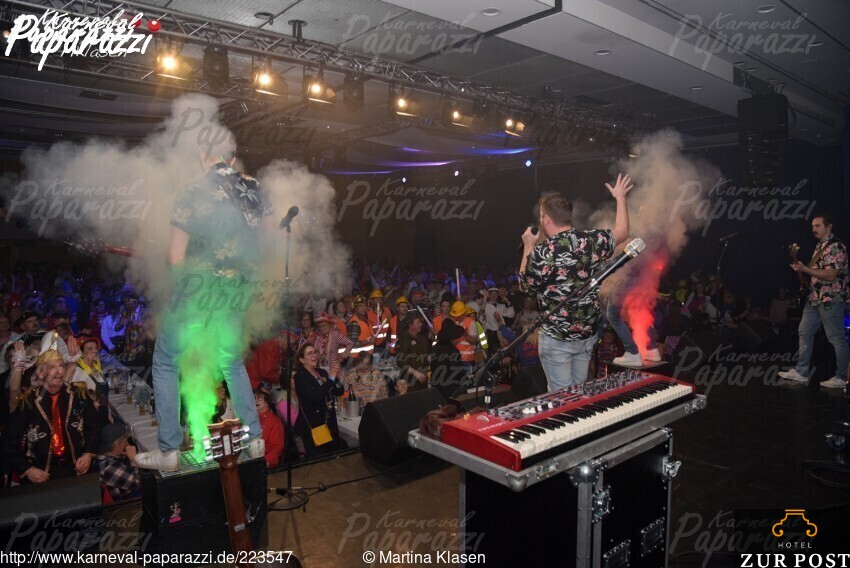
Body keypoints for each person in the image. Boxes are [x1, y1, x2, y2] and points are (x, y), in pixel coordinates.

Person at [135, 153, 273, 471]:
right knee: (231, 362)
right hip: (234, 292)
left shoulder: (192, 190)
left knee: (166, 362)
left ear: (201, 158)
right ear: (233, 157)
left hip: (196, 291)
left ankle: (169, 451)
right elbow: (267, 246)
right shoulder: (254, 187)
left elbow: (175, 257)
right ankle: (255, 439)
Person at [519, 174, 632, 390]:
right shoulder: (591, 241)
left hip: (557, 339)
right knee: (579, 393)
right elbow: (623, 232)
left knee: (561, 399)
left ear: (546, 219)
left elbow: (525, 285)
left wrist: (528, 246)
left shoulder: (542, 252)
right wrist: (620, 197)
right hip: (586, 335)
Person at [2, 349, 99, 483]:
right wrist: (28, 469)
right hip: (41, 473)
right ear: (40, 373)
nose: (60, 371)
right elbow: (8, 442)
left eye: (61, 365)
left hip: (77, 466)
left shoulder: (78, 393)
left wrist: (88, 454)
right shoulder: (28, 402)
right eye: (52, 367)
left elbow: (94, 426)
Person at [779, 215, 850, 388]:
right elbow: (814, 273)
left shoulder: (837, 247)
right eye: (812, 226)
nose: (813, 229)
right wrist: (802, 270)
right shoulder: (820, 246)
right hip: (814, 298)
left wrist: (805, 269)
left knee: (836, 338)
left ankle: (842, 377)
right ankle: (802, 371)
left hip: (830, 298)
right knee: (804, 331)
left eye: (817, 226)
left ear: (829, 227)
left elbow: (831, 275)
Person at [292, 343, 346, 458]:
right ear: (302, 360)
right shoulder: (300, 377)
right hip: (314, 426)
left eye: (315, 352)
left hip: (329, 421)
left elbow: (339, 390)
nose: (314, 356)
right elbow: (316, 395)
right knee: (319, 461)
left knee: (333, 458)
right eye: (309, 354)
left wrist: (335, 377)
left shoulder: (321, 372)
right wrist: (330, 380)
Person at [95, 423, 141, 502]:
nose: (127, 444)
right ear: (115, 445)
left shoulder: (105, 456)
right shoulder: (108, 467)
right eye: (125, 441)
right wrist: (133, 459)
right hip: (129, 502)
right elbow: (137, 483)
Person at [429, 320, 468, 402]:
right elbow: (456, 372)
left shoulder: (435, 348)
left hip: (437, 389)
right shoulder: (453, 351)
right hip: (451, 390)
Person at [394, 314, 430, 391]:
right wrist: (416, 373)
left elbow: (425, 353)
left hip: (423, 377)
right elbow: (401, 362)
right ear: (410, 325)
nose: (421, 324)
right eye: (418, 322)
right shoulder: (403, 340)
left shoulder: (421, 337)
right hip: (410, 379)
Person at [254, 384, 284, 467]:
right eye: (254, 398)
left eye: (259, 397)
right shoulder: (250, 419)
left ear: (267, 400)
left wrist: (266, 461)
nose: (256, 401)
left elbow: (277, 446)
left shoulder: (274, 421)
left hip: (266, 463)